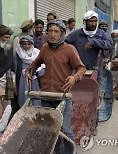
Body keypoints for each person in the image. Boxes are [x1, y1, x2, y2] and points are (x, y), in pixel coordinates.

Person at [25, 19, 86, 154]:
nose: (52, 34)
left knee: (66, 129)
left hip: (63, 96)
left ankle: (71, 152)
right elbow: (36, 63)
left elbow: (81, 68)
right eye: (50, 31)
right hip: (46, 96)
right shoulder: (45, 48)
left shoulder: (70, 49)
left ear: (62, 34)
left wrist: (74, 77)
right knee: (52, 129)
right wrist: (29, 71)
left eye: (56, 32)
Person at [66, 11, 113, 83]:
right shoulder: (77, 33)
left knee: (94, 92)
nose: (94, 24)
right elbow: (65, 44)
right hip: (78, 71)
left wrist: (94, 42)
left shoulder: (101, 33)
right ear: (85, 22)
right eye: (91, 21)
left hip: (96, 72)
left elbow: (110, 44)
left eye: (95, 21)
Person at [16, 35, 44, 107]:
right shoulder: (18, 54)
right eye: (24, 44)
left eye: (28, 44)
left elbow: (43, 65)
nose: (26, 46)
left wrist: (37, 72)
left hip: (36, 79)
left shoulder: (37, 53)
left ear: (32, 44)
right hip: (23, 79)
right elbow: (15, 68)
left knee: (36, 96)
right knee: (24, 95)